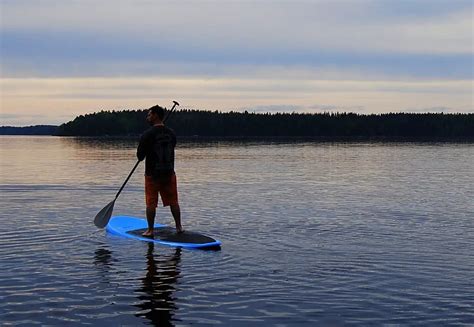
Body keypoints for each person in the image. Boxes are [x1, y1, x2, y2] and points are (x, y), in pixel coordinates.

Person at [137, 105, 183, 236]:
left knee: (151, 202)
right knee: (174, 201)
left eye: (149, 114)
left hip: (152, 174)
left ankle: (150, 230)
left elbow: (140, 156)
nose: (148, 117)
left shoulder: (147, 134)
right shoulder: (171, 133)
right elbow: (172, 145)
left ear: (156, 115)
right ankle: (179, 227)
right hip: (169, 173)